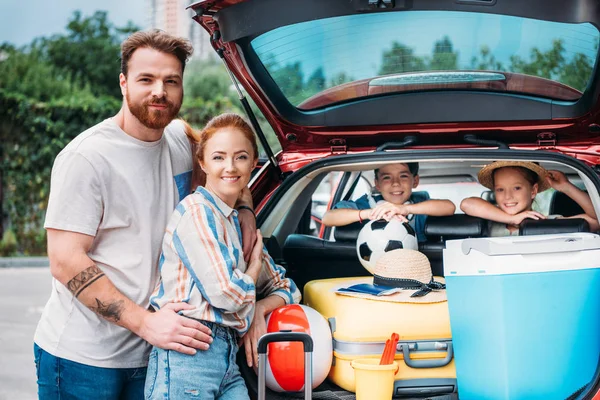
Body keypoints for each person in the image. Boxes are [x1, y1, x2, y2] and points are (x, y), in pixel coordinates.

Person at [34, 30, 256, 399]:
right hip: (83, 358)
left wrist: (245, 209)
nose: (160, 91)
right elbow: (65, 260)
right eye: (146, 79)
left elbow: (229, 166)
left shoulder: (181, 142)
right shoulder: (86, 158)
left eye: (171, 81)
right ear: (123, 83)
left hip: (156, 353)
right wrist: (146, 323)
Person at [144, 113, 301, 399]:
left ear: (254, 163)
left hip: (229, 359)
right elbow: (227, 296)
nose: (230, 167)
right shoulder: (197, 212)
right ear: (202, 163)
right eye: (218, 158)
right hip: (186, 358)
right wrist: (253, 270)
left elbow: (288, 288)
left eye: (240, 157)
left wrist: (259, 311)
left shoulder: (237, 224)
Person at [321, 162, 455, 242]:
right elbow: (328, 217)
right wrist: (370, 213)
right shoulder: (365, 204)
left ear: (415, 181)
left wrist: (405, 209)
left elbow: (449, 207)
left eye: (403, 176)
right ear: (377, 184)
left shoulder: (420, 203)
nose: (395, 183)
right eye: (386, 178)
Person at [460, 161, 599, 236]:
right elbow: (467, 204)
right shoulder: (489, 223)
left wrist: (566, 187)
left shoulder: (549, 223)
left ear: (533, 191)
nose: (508, 196)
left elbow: (596, 219)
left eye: (517, 188)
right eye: (500, 189)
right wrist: (511, 219)